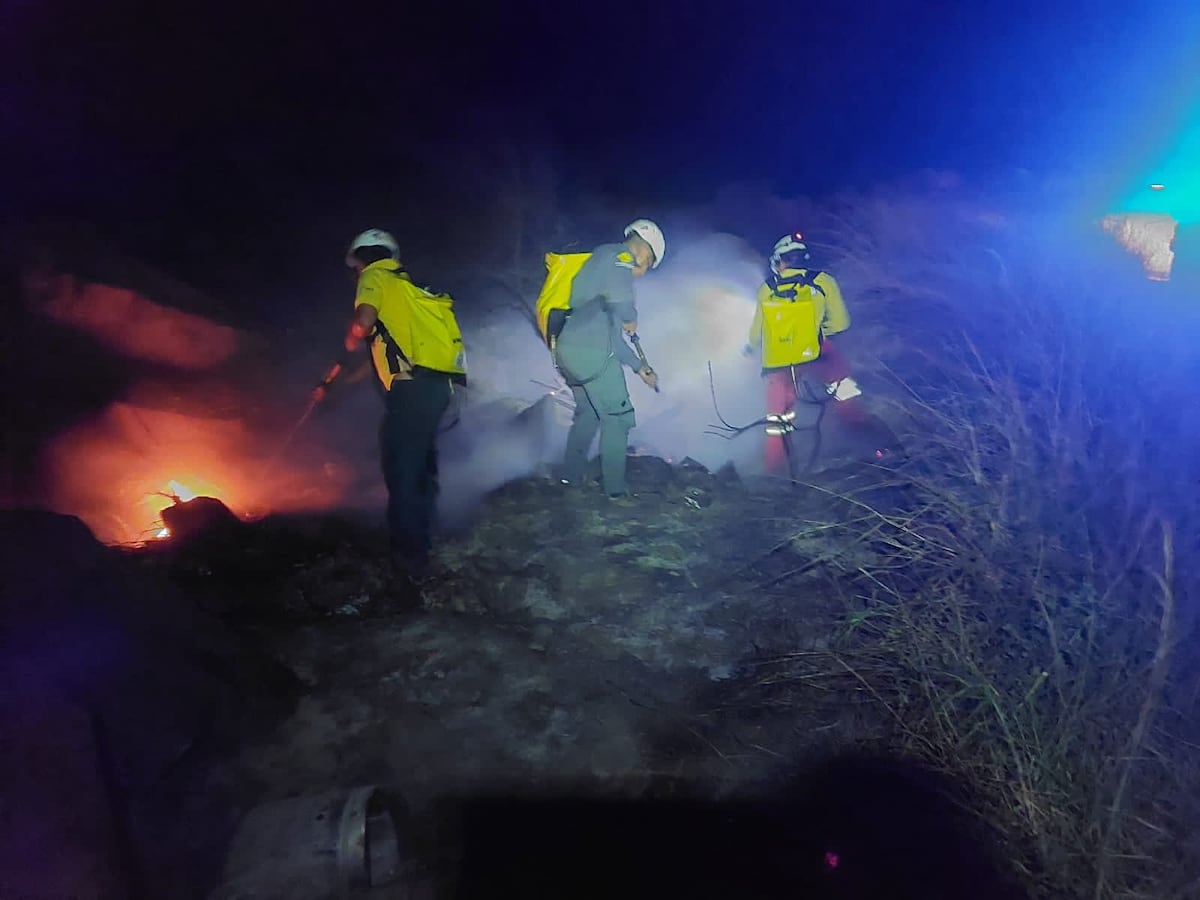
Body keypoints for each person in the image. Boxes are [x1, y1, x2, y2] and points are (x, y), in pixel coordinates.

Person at [316, 228, 462, 572]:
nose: (354, 274)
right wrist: (330, 385)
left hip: (411, 389)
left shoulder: (374, 276)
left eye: (355, 267)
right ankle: (429, 535)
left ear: (362, 258)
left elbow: (363, 324)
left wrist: (348, 343)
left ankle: (410, 557)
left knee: (401, 468)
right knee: (421, 463)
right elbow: (381, 356)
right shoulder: (407, 287)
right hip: (437, 387)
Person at [554, 219, 664, 500]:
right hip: (590, 350)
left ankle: (569, 477)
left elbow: (614, 341)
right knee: (619, 417)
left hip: (572, 348)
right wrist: (631, 317)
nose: (643, 272)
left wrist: (641, 368)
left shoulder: (603, 273)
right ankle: (616, 493)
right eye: (648, 263)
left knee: (589, 414)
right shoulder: (618, 256)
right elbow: (623, 308)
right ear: (643, 249)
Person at [744, 231, 865, 477]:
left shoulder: (766, 289)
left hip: (779, 363)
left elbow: (758, 332)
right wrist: (818, 332)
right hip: (817, 353)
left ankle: (773, 473)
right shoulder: (823, 281)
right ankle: (865, 438)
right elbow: (841, 323)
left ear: (779, 261)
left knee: (777, 422)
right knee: (844, 391)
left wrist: (749, 347)